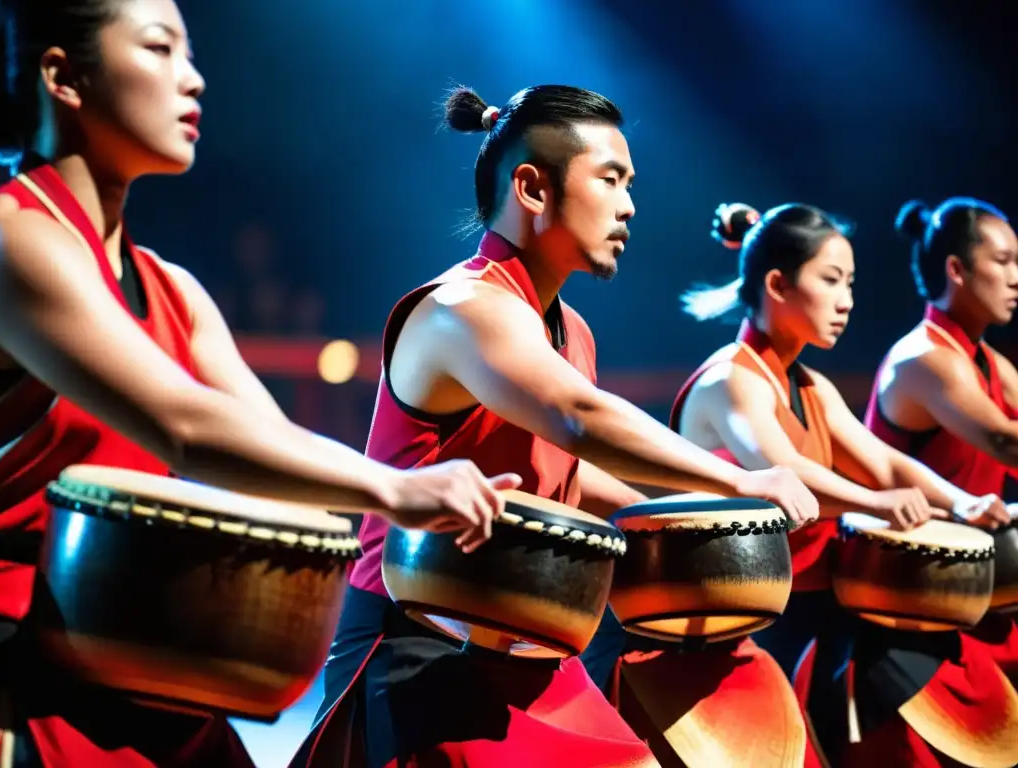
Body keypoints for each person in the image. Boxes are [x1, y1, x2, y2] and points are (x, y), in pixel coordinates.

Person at [0, 2, 520, 766]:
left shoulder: (173, 290)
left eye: (191, 53)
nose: (195, 79)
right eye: (160, 48)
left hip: (134, 657)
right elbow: (189, 427)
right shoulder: (11, 239)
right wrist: (399, 490)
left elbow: (269, 446)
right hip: (21, 671)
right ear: (62, 76)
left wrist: (420, 501)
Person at [291, 85, 819, 768]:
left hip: (530, 639)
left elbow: (559, 463)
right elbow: (577, 419)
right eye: (611, 179)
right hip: (418, 647)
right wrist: (744, 482)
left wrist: (664, 518)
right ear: (533, 188)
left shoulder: (570, 331)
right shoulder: (465, 307)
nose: (629, 205)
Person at [673, 202, 1014, 766]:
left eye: (850, 283)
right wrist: (875, 503)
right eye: (831, 280)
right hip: (737, 626)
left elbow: (887, 464)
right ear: (778, 284)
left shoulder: (810, 386)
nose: (847, 300)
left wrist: (963, 502)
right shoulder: (730, 379)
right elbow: (784, 473)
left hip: (814, 612)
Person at [866, 198, 1018, 688]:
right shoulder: (926, 358)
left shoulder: (988, 363)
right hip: (913, 601)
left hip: (972, 591)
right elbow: (1006, 441)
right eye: (1002, 261)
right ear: (956, 269)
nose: (1016, 276)